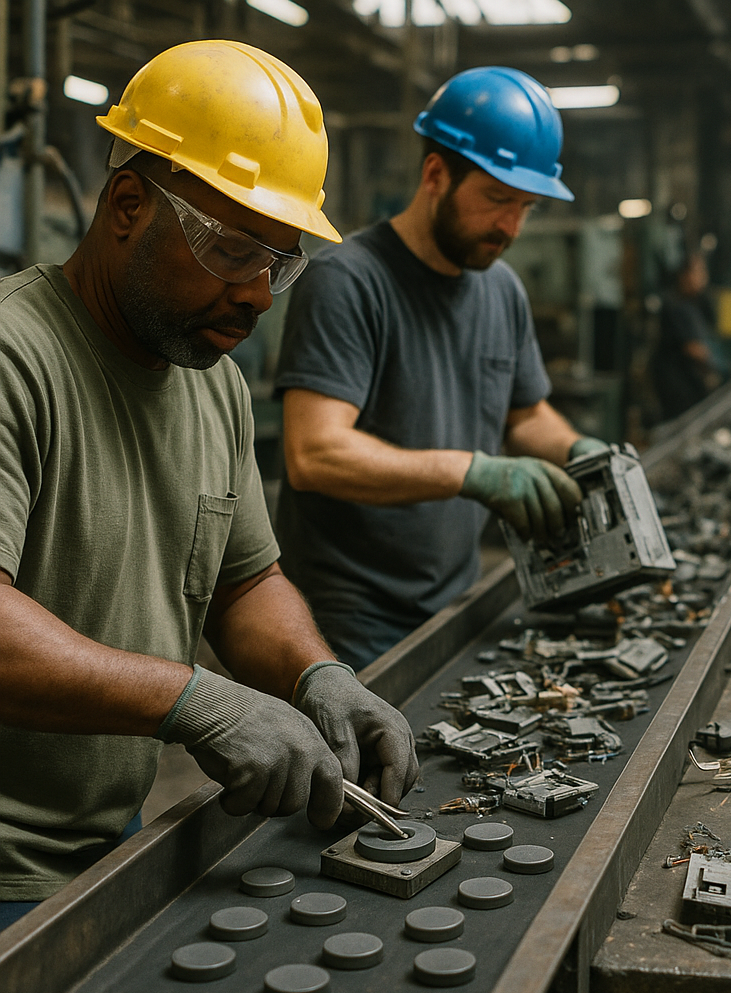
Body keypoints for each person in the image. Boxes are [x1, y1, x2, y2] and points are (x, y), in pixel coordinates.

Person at [0, 41, 418, 929]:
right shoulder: (15, 361)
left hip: (114, 844)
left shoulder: (213, 382)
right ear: (125, 206)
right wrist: (195, 698)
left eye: (280, 261)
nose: (261, 296)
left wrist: (316, 674)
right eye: (232, 249)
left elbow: (243, 580)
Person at [274, 66, 605, 671]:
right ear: (435, 175)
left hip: (457, 604)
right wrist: (473, 472)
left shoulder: (500, 288)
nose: (512, 227)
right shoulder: (348, 281)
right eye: (498, 200)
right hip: (344, 626)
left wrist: (582, 450)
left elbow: (526, 415)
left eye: (526, 206)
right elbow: (313, 453)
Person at [649, 252, 724, 421]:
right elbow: (693, 348)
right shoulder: (675, 305)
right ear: (685, 275)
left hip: (687, 381)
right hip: (678, 383)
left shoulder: (695, 304)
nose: (703, 278)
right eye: (698, 272)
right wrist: (715, 370)